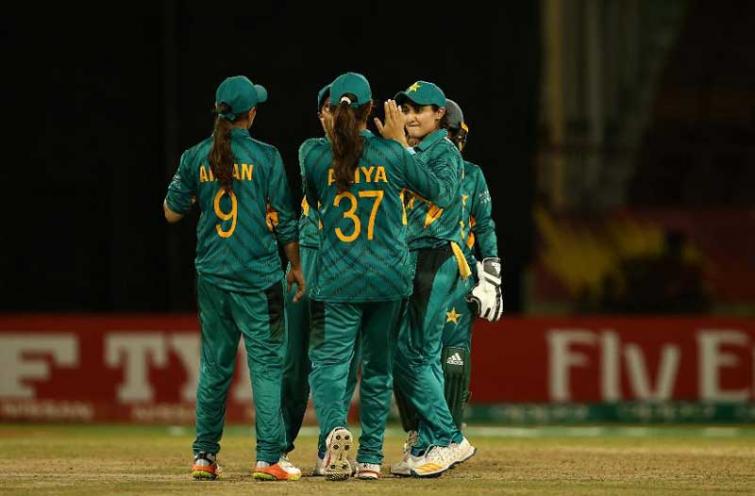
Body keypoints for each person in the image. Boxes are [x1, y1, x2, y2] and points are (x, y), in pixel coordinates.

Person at [302, 72, 456, 480]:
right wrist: (399, 144)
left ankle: (331, 441)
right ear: (372, 110)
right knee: (377, 369)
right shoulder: (391, 153)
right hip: (388, 279)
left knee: (331, 366)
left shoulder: (312, 154)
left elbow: (316, 203)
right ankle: (370, 457)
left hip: (337, 279)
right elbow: (441, 194)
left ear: (332, 110)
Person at [163, 75, 303, 481]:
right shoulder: (266, 157)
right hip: (258, 279)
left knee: (214, 367)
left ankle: (204, 456)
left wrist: (196, 194)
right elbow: (285, 221)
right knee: (267, 367)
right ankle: (269, 457)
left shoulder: (195, 156)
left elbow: (171, 212)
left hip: (212, 276)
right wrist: (296, 267)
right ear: (251, 114)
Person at [389, 81, 476, 478]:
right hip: (418, 257)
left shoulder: (443, 151)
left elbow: (440, 193)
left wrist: (401, 150)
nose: (410, 117)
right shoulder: (421, 150)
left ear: (439, 114)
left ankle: (448, 438)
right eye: (406, 110)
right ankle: (428, 440)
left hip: (436, 256)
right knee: (418, 354)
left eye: (419, 110)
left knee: (414, 355)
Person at [281, 82, 362, 474]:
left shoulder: (372, 154)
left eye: (342, 107)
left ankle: (329, 449)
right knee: (294, 366)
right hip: (309, 260)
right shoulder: (312, 151)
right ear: (320, 115)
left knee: (343, 364)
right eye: (329, 108)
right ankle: (276, 448)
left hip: (348, 263)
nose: (336, 114)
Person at [441, 98, 502, 428]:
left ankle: (450, 432)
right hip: (413, 272)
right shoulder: (408, 169)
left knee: (454, 356)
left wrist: (491, 271)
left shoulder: (472, 175)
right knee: (409, 360)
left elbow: (485, 224)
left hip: (459, 276)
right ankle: (420, 432)